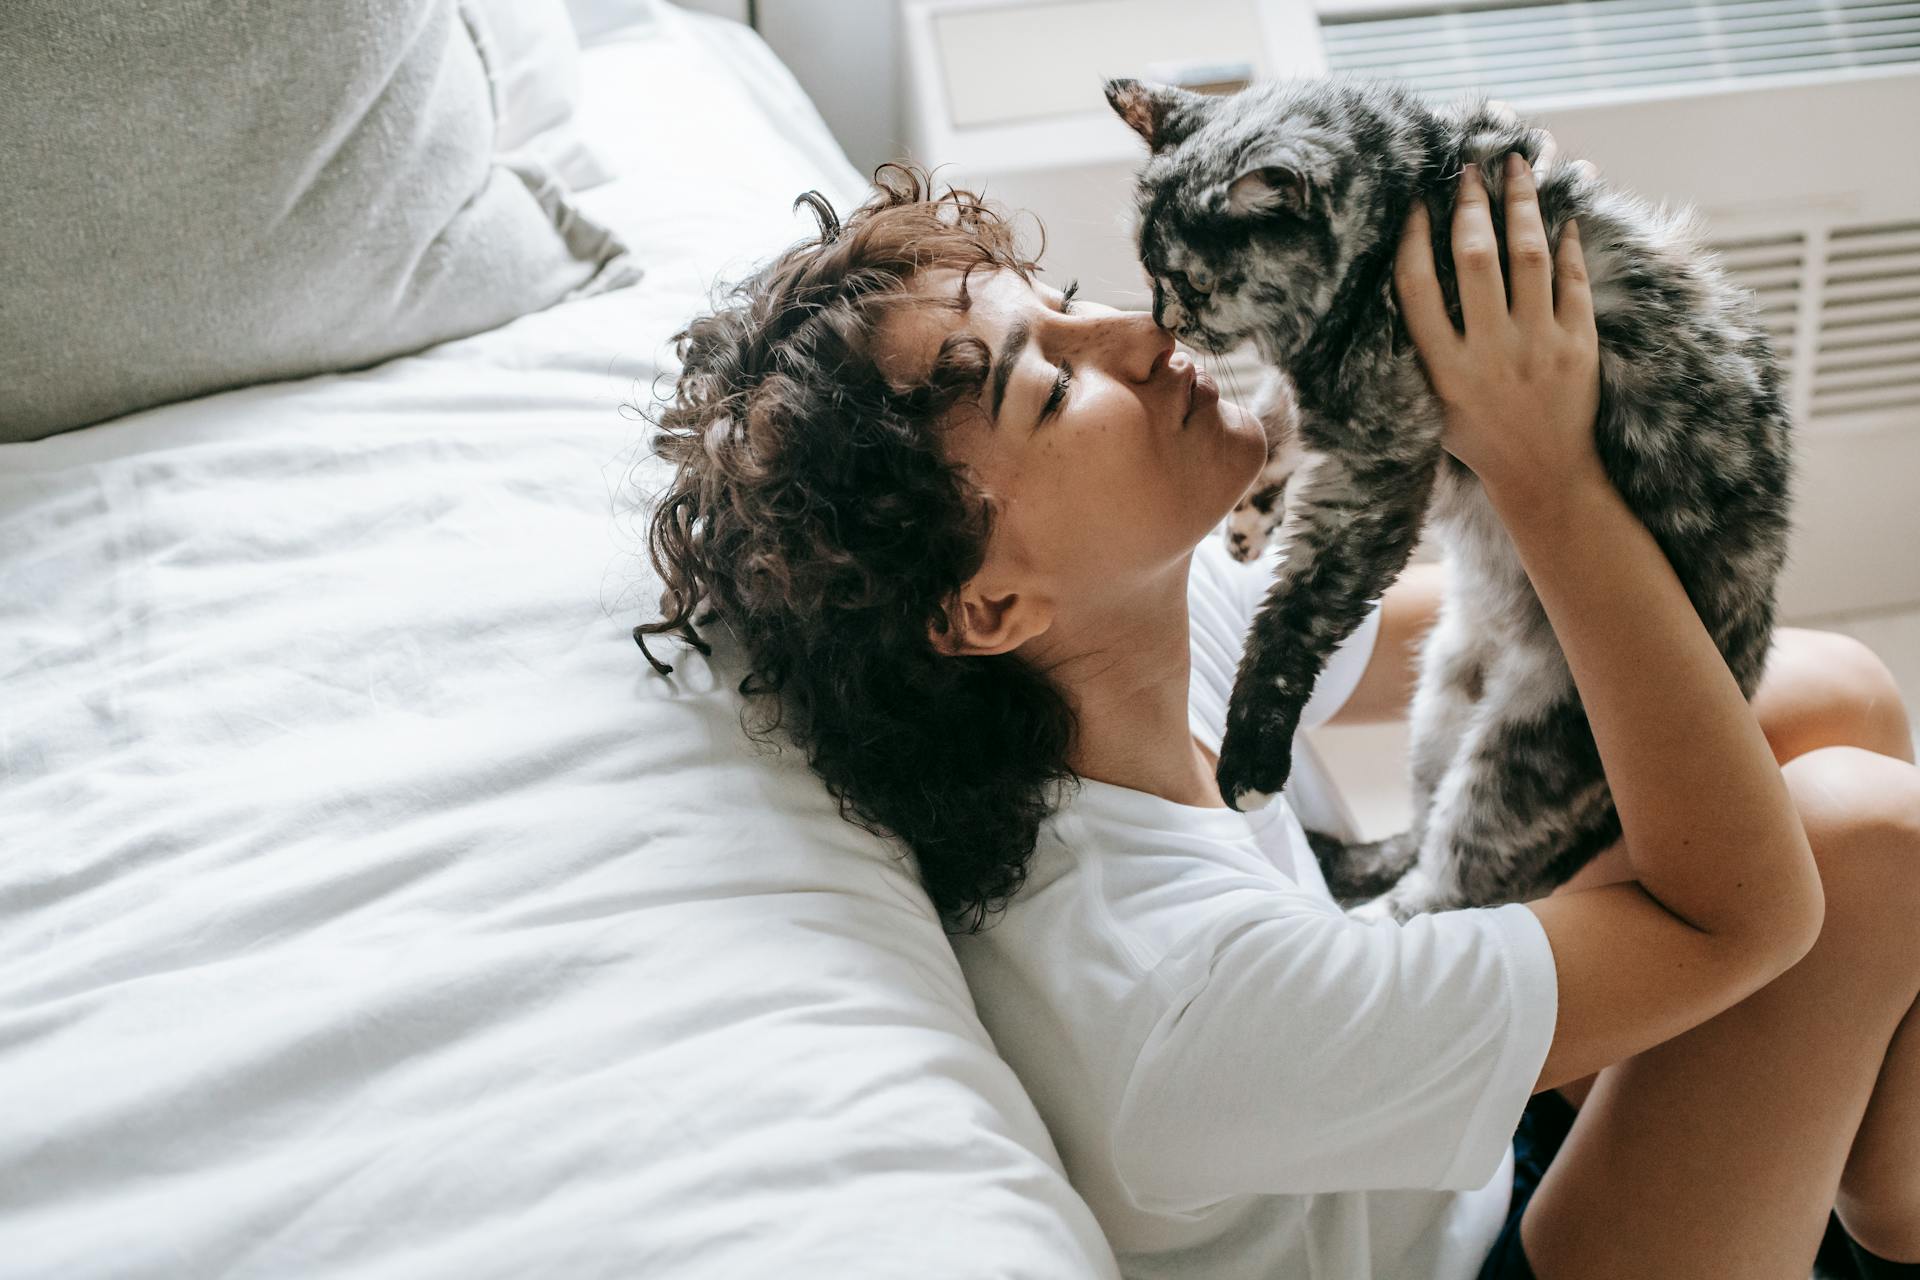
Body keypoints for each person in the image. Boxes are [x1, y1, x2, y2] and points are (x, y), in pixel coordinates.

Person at [633, 158, 1920, 1278]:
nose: (1140, 334)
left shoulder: (1109, 650)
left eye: (1070, 304)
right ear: (985, 608)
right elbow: (1744, 916)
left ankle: (1882, 1209)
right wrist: (1544, 469)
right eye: (1052, 386)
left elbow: (1487, 641)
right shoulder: (1179, 999)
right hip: (1460, 1255)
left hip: (1411, 1153)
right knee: (1863, 845)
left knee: (1826, 690)